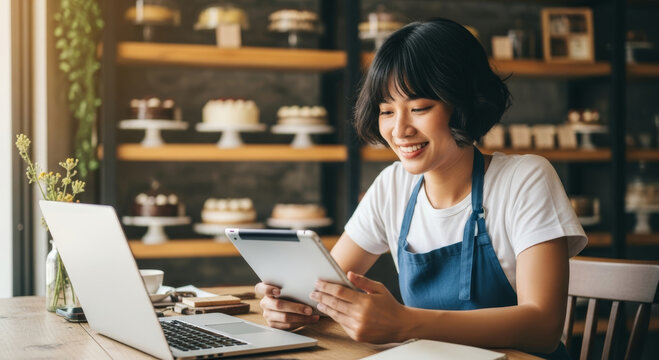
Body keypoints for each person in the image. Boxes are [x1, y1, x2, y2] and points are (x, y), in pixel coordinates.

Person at [256, 18, 587, 359]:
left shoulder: (525, 179)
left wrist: (405, 323)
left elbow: (544, 329)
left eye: (419, 108)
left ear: (464, 103)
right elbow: (322, 288)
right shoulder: (393, 185)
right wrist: (289, 303)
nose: (399, 130)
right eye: (386, 111)